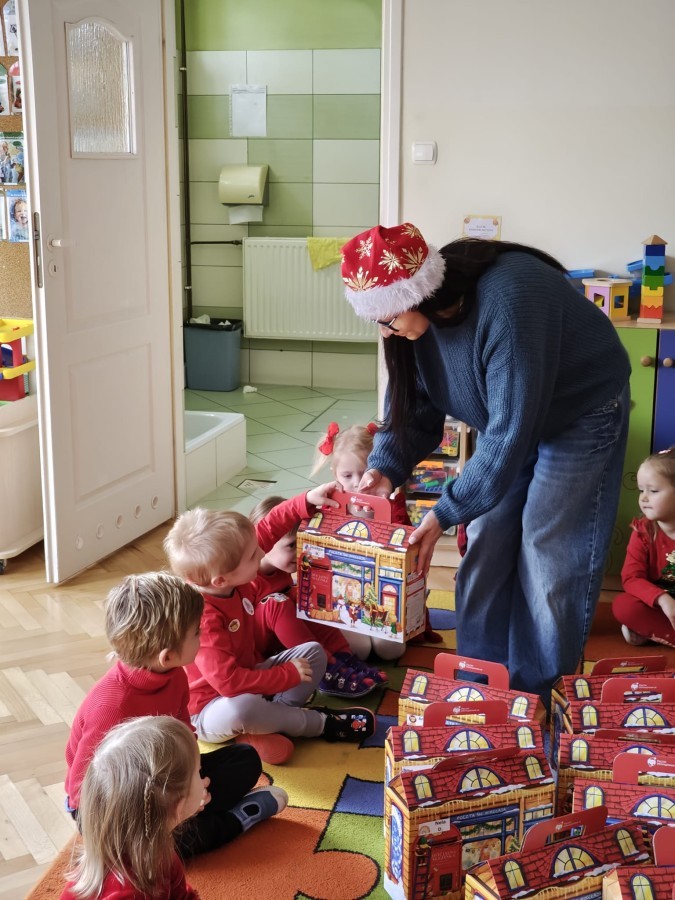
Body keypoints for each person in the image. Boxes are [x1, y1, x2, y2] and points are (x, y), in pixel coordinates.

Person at [340, 222, 631, 702]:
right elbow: (412, 409)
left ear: (418, 294)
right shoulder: (411, 330)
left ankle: (537, 692)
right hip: (511, 418)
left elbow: (509, 435)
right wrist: (385, 469)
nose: (385, 331)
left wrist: (444, 512)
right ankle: (479, 682)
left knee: (548, 548)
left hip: (582, 409)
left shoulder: (508, 302)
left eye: (388, 319)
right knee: (487, 541)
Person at [65, 572, 282, 858]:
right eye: (197, 633)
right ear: (167, 655)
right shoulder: (111, 706)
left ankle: (186, 823)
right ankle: (233, 822)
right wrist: (173, 806)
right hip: (113, 802)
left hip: (165, 775)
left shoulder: (175, 675)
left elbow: (184, 733)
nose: (202, 636)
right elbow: (84, 790)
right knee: (145, 848)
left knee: (245, 759)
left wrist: (193, 784)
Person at [163, 485, 376, 767]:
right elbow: (229, 684)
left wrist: (305, 500)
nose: (262, 553)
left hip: (251, 680)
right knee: (243, 708)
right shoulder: (204, 617)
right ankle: (319, 723)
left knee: (313, 652)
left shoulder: (232, 574)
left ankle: (271, 722)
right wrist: (285, 675)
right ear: (221, 580)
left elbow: (270, 526)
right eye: (254, 556)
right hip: (210, 709)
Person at [310, 421, 442, 658]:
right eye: (347, 475)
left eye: (364, 473)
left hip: (384, 599)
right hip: (344, 600)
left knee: (389, 650)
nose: (357, 482)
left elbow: (410, 556)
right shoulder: (329, 509)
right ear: (335, 474)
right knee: (359, 650)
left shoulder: (394, 509)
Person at [62, 716, 226, 898]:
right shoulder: (127, 892)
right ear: (179, 806)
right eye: (198, 771)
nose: (203, 779)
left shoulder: (157, 849)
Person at [249, 494, 388, 697]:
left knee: (307, 594)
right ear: (266, 543)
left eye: (303, 543)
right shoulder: (248, 577)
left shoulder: (280, 570)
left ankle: (342, 658)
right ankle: (325, 668)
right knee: (277, 603)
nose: (300, 551)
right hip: (257, 649)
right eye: (292, 545)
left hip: (283, 641)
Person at [613, 447, 675, 648]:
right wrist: (663, 599)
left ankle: (653, 632)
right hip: (659, 605)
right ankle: (656, 629)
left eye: (653, 491)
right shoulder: (643, 531)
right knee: (625, 607)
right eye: (641, 490)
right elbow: (631, 578)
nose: (644, 498)